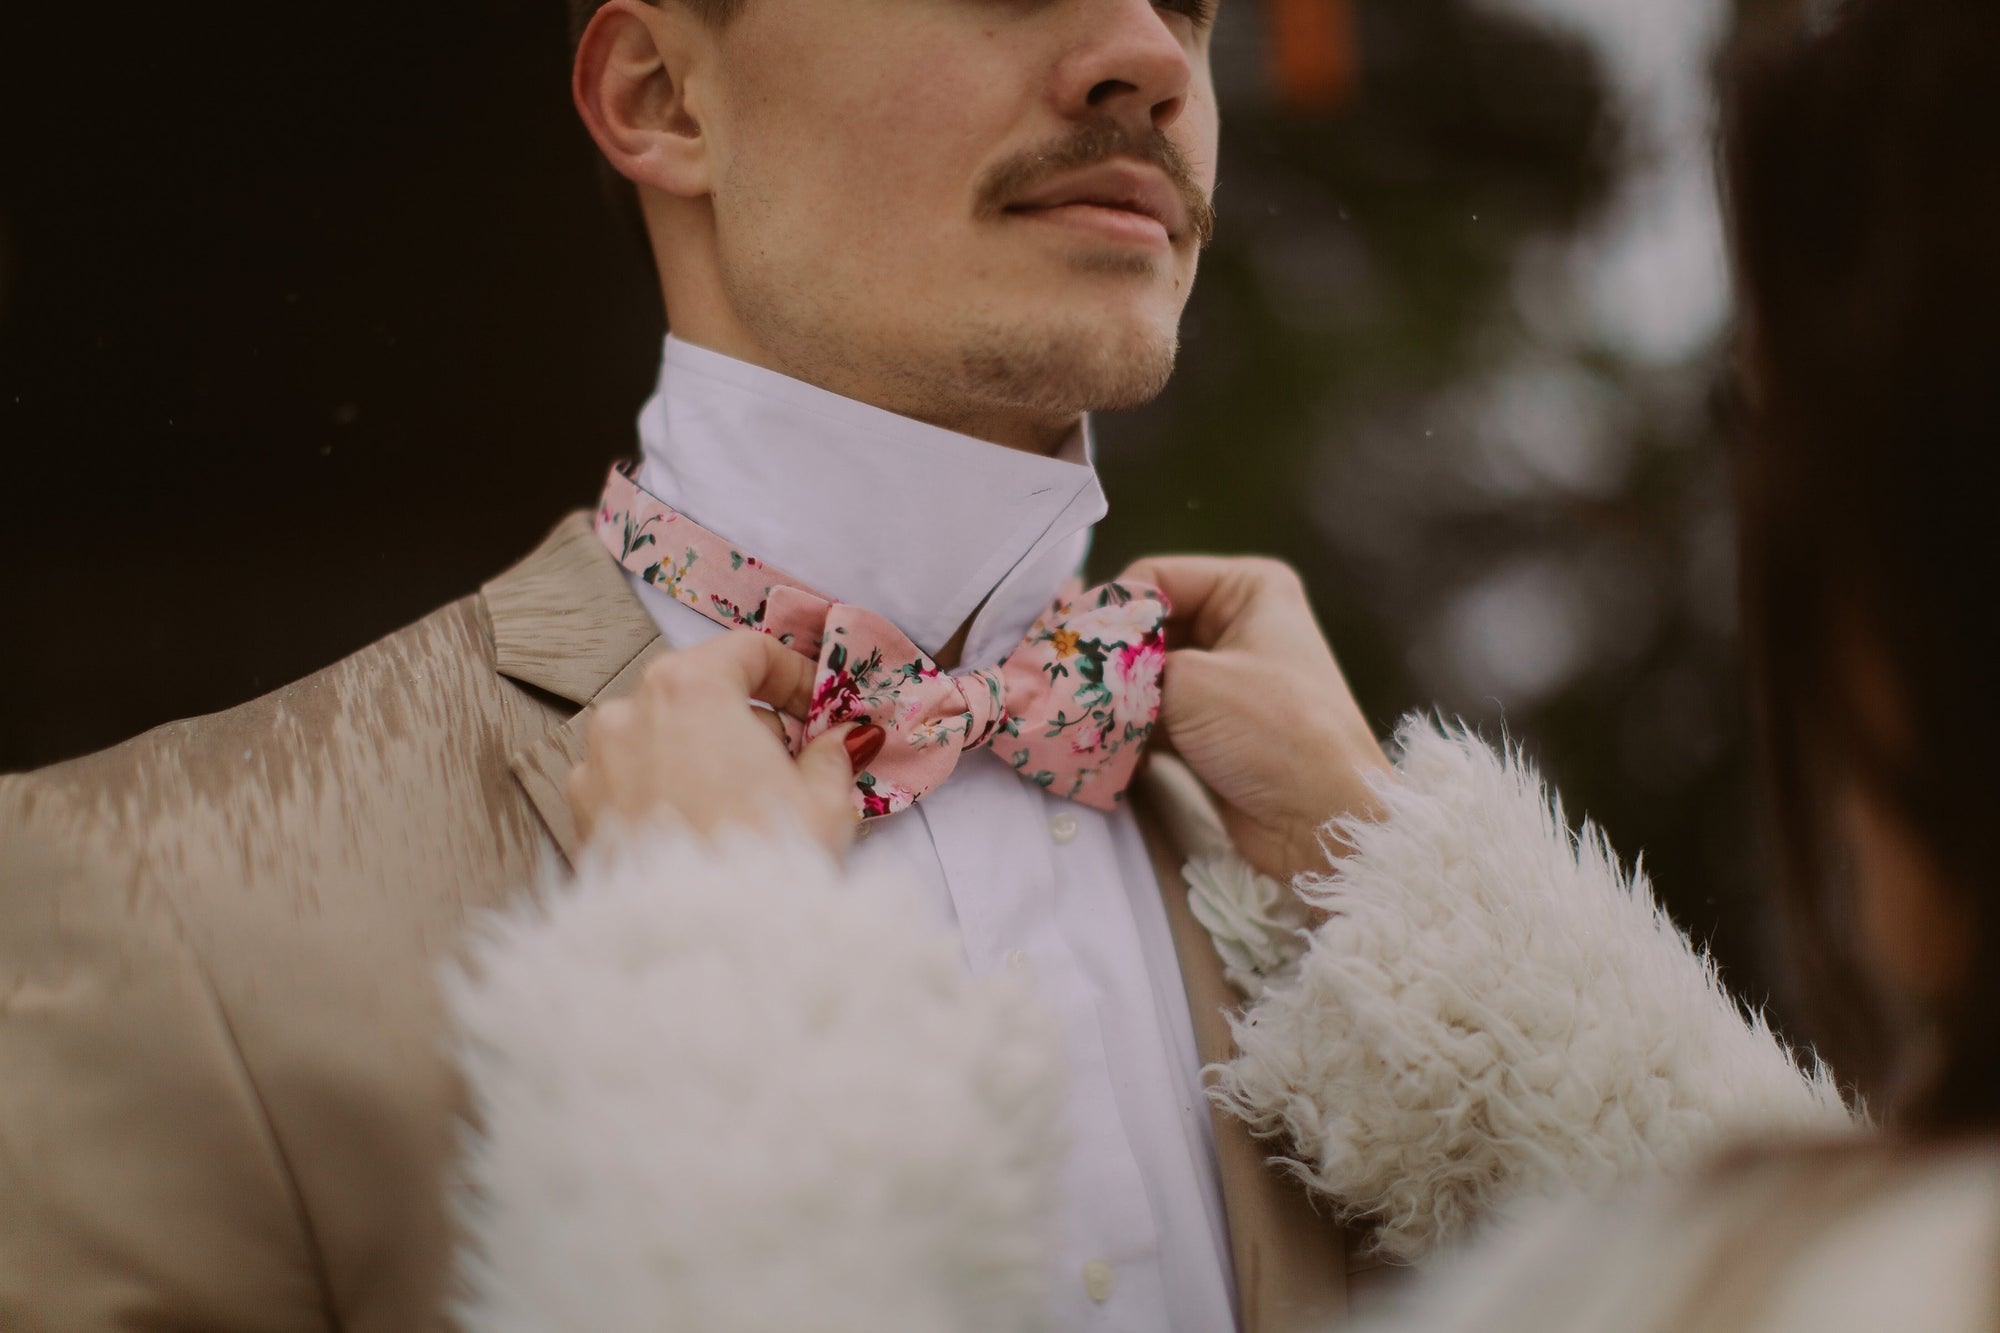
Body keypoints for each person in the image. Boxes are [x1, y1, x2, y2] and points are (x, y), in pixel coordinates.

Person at [449, 0, 1998, 1328]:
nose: (1153, 55)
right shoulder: (212, 899)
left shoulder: (1333, 869)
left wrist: (702, 1011)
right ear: (661, 94)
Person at [7, 2, 1342, 1330]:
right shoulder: (144, 900)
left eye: (1187, 2)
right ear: (661, 95)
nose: (1158, 63)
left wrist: (1399, 898)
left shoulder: (1346, 893)